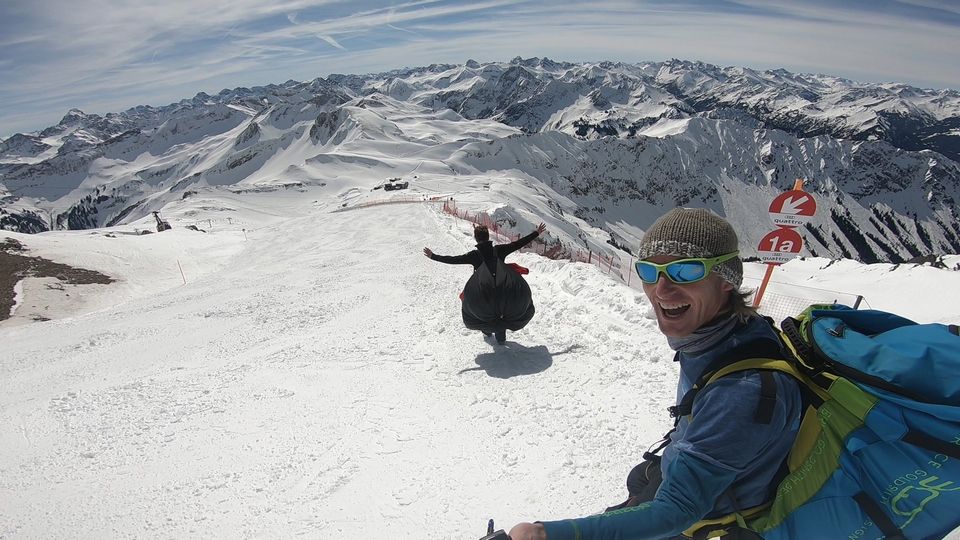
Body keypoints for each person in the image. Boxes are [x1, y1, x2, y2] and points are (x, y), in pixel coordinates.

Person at [508, 208, 802, 540]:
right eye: (650, 271)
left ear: (726, 282)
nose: (661, 290)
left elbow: (673, 513)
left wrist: (543, 534)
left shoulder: (741, 390)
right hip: (713, 484)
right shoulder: (728, 337)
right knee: (641, 478)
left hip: (716, 522)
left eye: (685, 271)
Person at [424, 222, 546, 344]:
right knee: (501, 311)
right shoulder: (499, 250)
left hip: (483, 291)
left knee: (484, 312)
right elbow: (518, 244)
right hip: (502, 289)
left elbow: (453, 260)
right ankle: (501, 339)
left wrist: (433, 256)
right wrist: (536, 233)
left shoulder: (474, 255)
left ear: (476, 239)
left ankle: (487, 331)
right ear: (488, 237)